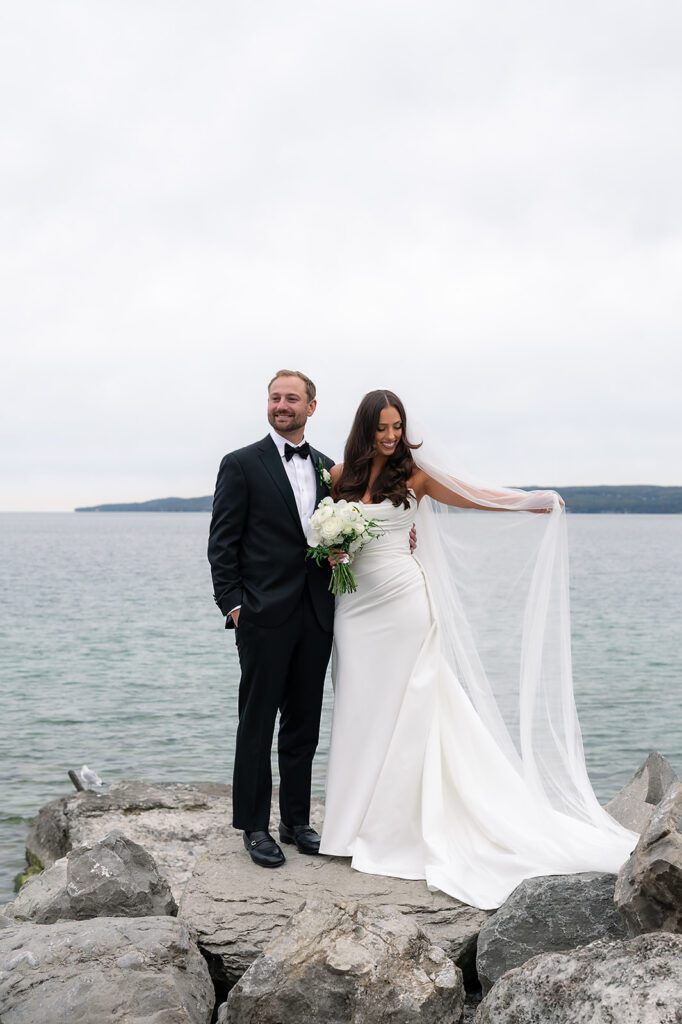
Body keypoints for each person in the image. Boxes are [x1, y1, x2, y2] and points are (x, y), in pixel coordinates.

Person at [319, 389, 638, 910]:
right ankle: (347, 826)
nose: (390, 435)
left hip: (404, 603)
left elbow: (469, 494)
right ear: (364, 428)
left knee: (410, 709)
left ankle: (398, 827)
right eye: (381, 427)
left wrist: (530, 501)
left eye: (396, 426)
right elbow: (323, 533)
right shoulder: (338, 478)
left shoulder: (415, 476)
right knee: (359, 710)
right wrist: (331, 550)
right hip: (355, 612)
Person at [208, 370, 335, 867]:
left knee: (304, 722)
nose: (282, 405)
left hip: (316, 611)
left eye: (292, 398)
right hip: (261, 614)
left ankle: (296, 821)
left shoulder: (328, 468)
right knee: (257, 722)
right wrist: (234, 606)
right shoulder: (240, 463)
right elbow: (222, 542)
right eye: (275, 397)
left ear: (311, 406)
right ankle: (255, 827)